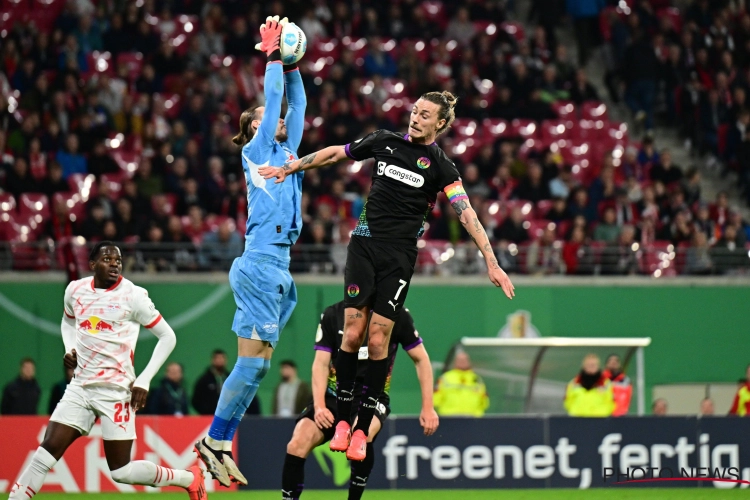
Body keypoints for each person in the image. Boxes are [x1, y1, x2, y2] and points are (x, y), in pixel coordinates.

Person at [261, 90, 514, 461]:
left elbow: (466, 214)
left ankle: (362, 428)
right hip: (364, 245)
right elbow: (335, 153)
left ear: (440, 124)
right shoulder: (384, 141)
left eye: (425, 115)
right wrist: (290, 167)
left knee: (379, 341)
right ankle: (344, 421)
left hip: (399, 257)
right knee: (352, 332)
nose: (415, 118)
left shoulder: (442, 167)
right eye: (414, 111)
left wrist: (491, 261)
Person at [195, 15, 307, 487]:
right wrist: (275, 57)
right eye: (267, 118)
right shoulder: (258, 152)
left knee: (258, 367)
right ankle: (213, 439)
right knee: (251, 364)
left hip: (278, 268)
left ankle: (218, 442)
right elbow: (277, 97)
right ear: (254, 128)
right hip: (261, 263)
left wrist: (296, 63)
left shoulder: (287, 153)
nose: (278, 119)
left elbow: (295, 102)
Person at [8, 242, 206, 500]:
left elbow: (167, 337)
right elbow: (68, 322)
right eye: (107, 259)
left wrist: (144, 380)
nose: (114, 263)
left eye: (118, 260)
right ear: (92, 265)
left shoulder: (133, 295)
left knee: (121, 471)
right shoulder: (75, 290)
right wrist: (69, 349)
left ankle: (188, 478)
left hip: (117, 391)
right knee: (45, 452)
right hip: (80, 387)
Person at [281, 301, 438, 500]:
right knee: (297, 442)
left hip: (372, 396)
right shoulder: (333, 314)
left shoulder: (396, 315)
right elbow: (320, 364)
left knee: (360, 434)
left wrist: (428, 407)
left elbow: (421, 359)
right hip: (334, 396)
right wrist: (320, 406)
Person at [433, 351, 489, 417]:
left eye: (464, 360)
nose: (462, 362)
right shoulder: (445, 378)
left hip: (473, 419)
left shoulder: (477, 379)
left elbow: (485, 402)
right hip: (450, 419)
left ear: (469, 361)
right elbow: (435, 400)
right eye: (460, 360)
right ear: (455, 361)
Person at [192, 349, 229, 415]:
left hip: (227, 416)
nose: (220, 361)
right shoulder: (204, 380)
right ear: (213, 360)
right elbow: (196, 400)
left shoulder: (229, 378)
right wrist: (205, 412)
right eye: (218, 358)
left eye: (222, 358)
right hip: (209, 417)